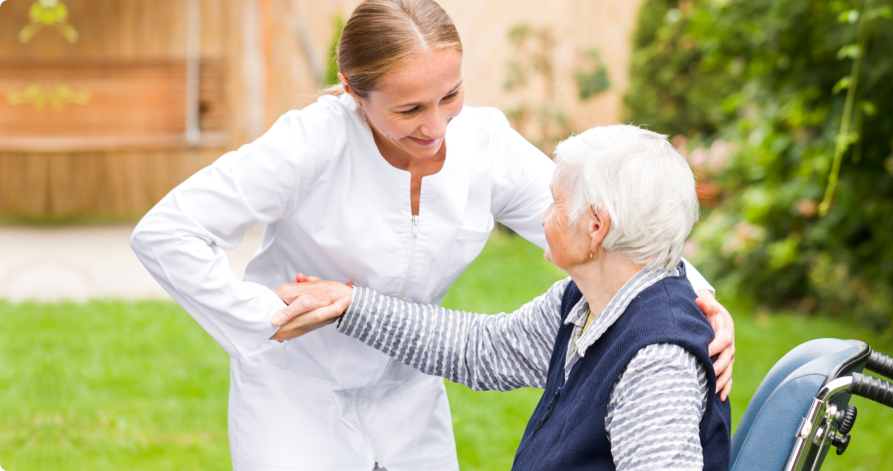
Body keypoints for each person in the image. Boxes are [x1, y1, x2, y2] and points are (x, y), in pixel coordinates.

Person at [130, 0, 735, 469]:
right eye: (409, 110)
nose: (437, 126)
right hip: (295, 395)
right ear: (352, 89)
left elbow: (620, 226)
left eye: (450, 96)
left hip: (408, 394)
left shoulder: (483, 143)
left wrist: (698, 306)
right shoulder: (312, 143)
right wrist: (265, 318)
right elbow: (167, 233)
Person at [274, 124, 731, 470]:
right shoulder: (586, 302)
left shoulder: (656, 362)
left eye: (554, 202)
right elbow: (482, 349)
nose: (543, 214)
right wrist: (352, 305)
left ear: (596, 226)